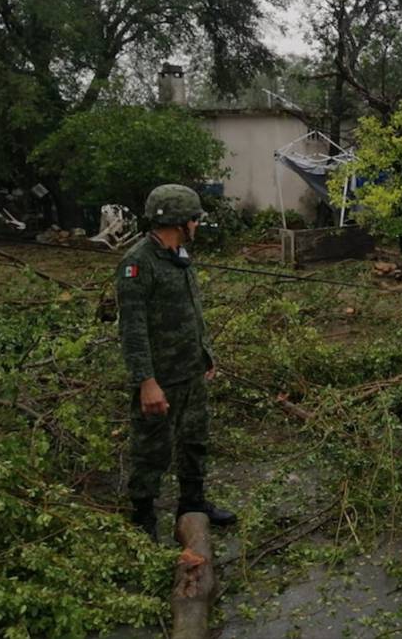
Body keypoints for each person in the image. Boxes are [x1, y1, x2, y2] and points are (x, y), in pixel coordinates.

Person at [117, 184, 237, 541]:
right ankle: (143, 520)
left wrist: (205, 355)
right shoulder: (137, 264)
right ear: (178, 222)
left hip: (190, 371)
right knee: (151, 449)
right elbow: (133, 330)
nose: (197, 225)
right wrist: (146, 382)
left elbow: (192, 311)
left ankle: (193, 504)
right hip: (160, 377)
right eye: (194, 220)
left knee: (194, 440)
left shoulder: (179, 255)